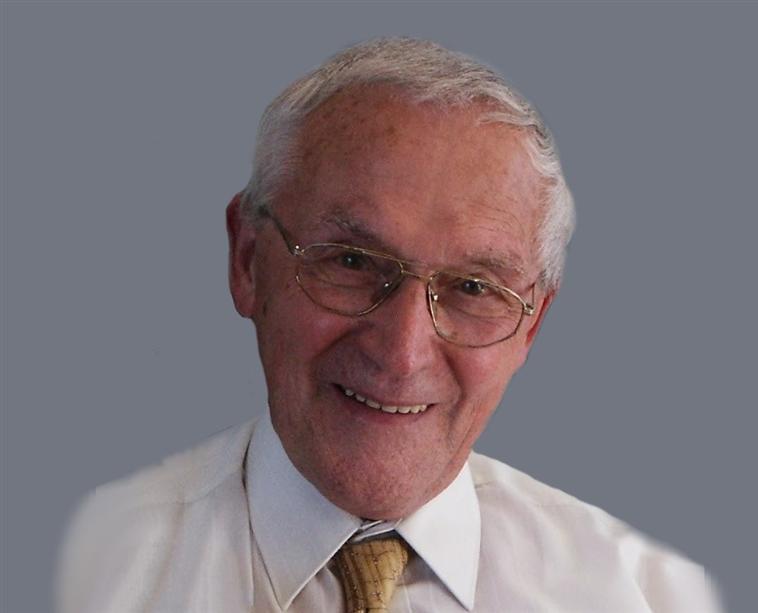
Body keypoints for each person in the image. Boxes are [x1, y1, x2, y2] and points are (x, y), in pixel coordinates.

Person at [57, 37, 721, 613]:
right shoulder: (80, 571)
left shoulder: (651, 594)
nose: (402, 353)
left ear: (531, 327)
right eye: (351, 261)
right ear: (247, 261)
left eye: (472, 288)